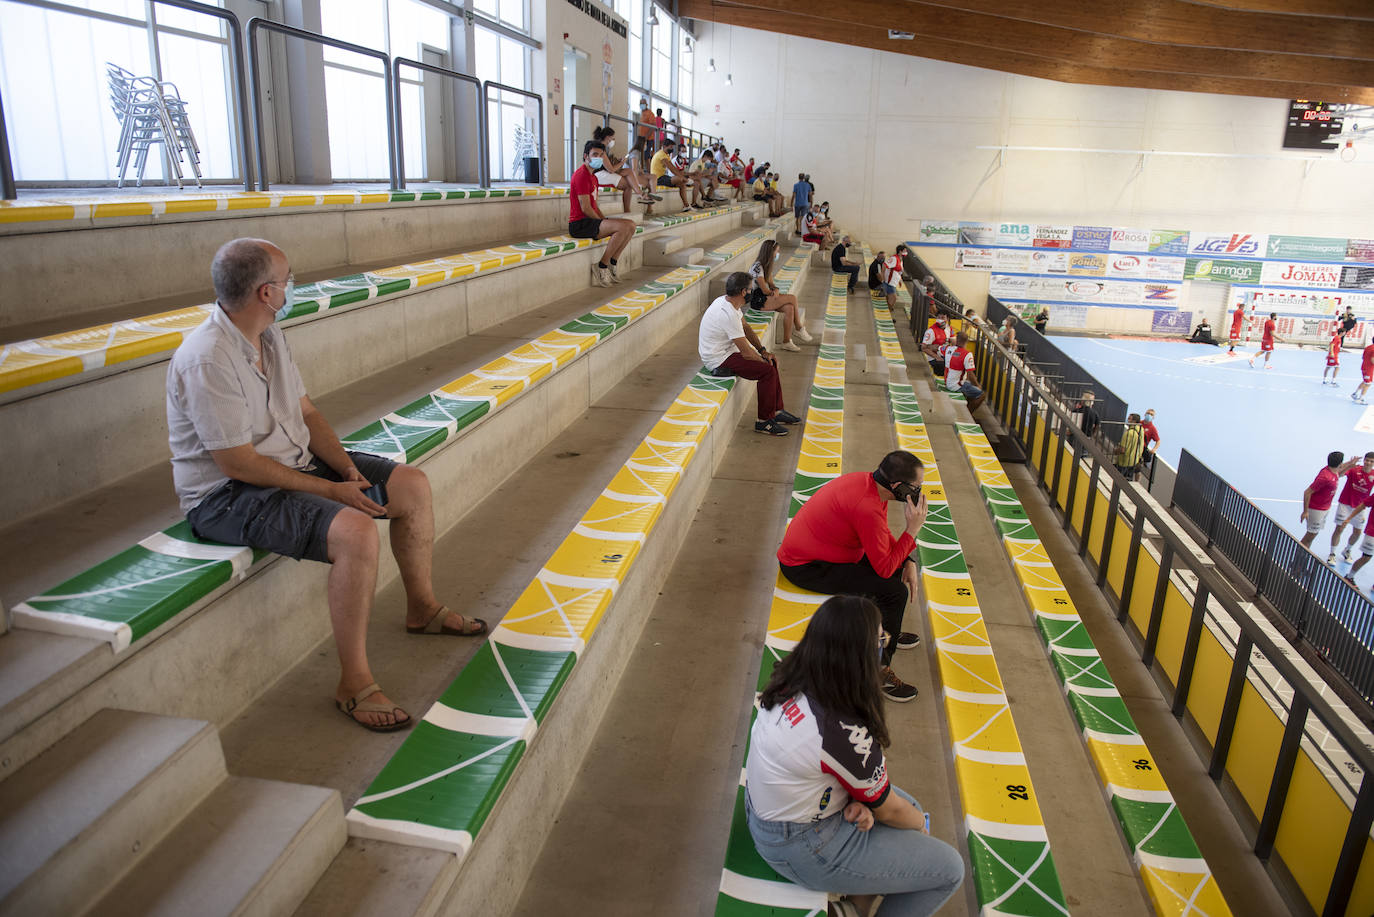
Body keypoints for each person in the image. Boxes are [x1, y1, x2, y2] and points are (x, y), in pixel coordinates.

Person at [166, 239, 485, 733]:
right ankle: (354, 685)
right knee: (355, 532)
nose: (294, 286)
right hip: (226, 496)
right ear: (266, 292)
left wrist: (347, 471)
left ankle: (421, 607)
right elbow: (237, 464)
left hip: (289, 461)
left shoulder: (269, 336)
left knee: (411, 486)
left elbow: (308, 413)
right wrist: (332, 492)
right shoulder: (208, 358)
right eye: (288, 279)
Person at [744, 595, 966, 916]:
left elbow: (830, 769)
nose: (883, 644)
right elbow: (890, 811)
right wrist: (920, 828)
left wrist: (861, 801)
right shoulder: (839, 729)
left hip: (779, 815)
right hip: (800, 845)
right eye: (880, 639)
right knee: (947, 869)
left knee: (908, 811)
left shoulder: (798, 675)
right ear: (859, 656)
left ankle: (853, 910)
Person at [778, 451, 929, 702]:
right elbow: (883, 568)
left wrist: (908, 558)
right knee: (895, 592)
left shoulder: (869, 484)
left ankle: (887, 629)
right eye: (916, 486)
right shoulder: (866, 506)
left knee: (895, 568)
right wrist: (912, 531)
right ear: (897, 487)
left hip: (832, 550)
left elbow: (881, 535)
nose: (920, 491)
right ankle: (878, 669)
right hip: (806, 567)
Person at [699, 271, 801, 436]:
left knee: (770, 362)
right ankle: (764, 422)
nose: (752, 291)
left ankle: (776, 410)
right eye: (750, 289)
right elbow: (746, 353)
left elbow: (746, 328)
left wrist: (763, 351)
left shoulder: (730, 303)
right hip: (718, 358)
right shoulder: (727, 313)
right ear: (743, 292)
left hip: (727, 350)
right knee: (767, 370)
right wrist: (763, 360)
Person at [569, 140, 637, 288]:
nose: (598, 158)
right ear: (586, 156)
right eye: (595, 154)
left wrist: (604, 220)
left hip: (590, 221)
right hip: (579, 224)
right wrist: (603, 223)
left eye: (601, 155)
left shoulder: (593, 177)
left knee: (631, 226)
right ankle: (601, 266)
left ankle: (612, 263)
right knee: (621, 227)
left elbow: (594, 205)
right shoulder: (581, 175)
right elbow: (586, 208)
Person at [749, 239, 812, 352]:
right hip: (758, 300)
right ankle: (798, 328)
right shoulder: (757, 267)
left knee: (790, 308)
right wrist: (774, 293)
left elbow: (771, 284)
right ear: (770, 251)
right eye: (777, 251)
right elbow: (764, 290)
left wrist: (775, 289)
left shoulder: (766, 265)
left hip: (765, 297)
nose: (778, 254)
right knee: (792, 298)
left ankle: (786, 342)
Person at [591, 126, 658, 212]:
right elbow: (611, 169)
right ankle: (639, 196)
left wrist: (618, 161)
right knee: (628, 183)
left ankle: (638, 197)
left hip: (603, 173)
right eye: (613, 138)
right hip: (600, 175)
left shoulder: (602, 148)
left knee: (628, 174)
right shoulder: (600, 149)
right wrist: (622, 163)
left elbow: (607, 165)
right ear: (608, 137)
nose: (613, 140)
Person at [1328, 452, 1374, 563]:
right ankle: (1332, 553)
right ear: (1364, 460)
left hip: (1360, 507)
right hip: (1345, 504)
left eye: (1371, 461)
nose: (1368, 463)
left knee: (1357, 532)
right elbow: (1339, 473)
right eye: (1367, 460)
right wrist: (1349, 465)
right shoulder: (1354, 469)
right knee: (1339, 529)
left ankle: (1347, 550)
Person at [1302, 451, 1350, 548]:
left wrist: (1350, 464)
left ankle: (1303, 554)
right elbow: (1307, 492)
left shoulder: (1332, 471)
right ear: (1340, 464)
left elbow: (1339, 472)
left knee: (1313, 534)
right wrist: (1305, 511)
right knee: (1310, 535)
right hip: (1316, 509)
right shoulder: (1325, 477)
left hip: (1324, 508)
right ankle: (1297, 558)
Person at [649, 139, 699, 212]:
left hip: (663, 177)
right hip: (657, 179)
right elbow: (672, 169)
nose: (672, 149)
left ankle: (686, 206)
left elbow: (674, 168)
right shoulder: (661, 155)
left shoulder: (666, 155)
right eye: (670, 147)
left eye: (672, 147)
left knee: (682, 184)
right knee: (680, 180)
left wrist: (684, 179)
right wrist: (684, 179)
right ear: (664, 146)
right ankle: (687, 205)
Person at [944, 331, 986, 413]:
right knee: (982, 395)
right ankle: (968, 414)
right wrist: (978, 385)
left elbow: (938, 348)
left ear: (956, 340)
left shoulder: (948, 349)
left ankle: (966, 408)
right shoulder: (967, 354)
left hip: (947, 381)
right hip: (956, 385)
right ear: (967, 341)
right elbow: (970, 375)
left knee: (970, 387)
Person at [879, 244, 910, 313]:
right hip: (890, 282)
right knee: (893, 298)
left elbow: (899, 272)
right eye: (904, 251)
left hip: (894, 281)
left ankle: (888, 309)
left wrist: (900, 280)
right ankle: (888, 310)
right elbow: (884, 265)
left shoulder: (900, 259)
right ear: (900, 251)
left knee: (890, 298)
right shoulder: (894, 258)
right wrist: (883, 276)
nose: (906, 252)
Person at [1115, 414, 1145, 481]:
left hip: (1124, 462)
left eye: (1129, 419)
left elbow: (1122, 450)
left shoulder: (1129, 433)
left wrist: (1115, 451)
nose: (1127, 420)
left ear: (1134, 421)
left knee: (1118, 481)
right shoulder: (1141, 431)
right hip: (1134, 461)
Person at [1352, 339, 1374, 405]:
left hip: (1364, 366)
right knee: (1368, 384)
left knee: (1365, 381)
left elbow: (1363, 357)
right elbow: (1372, 360)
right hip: (1368, 368)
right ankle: (1360, 399)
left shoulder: (1368, 347)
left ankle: (1355, 393)